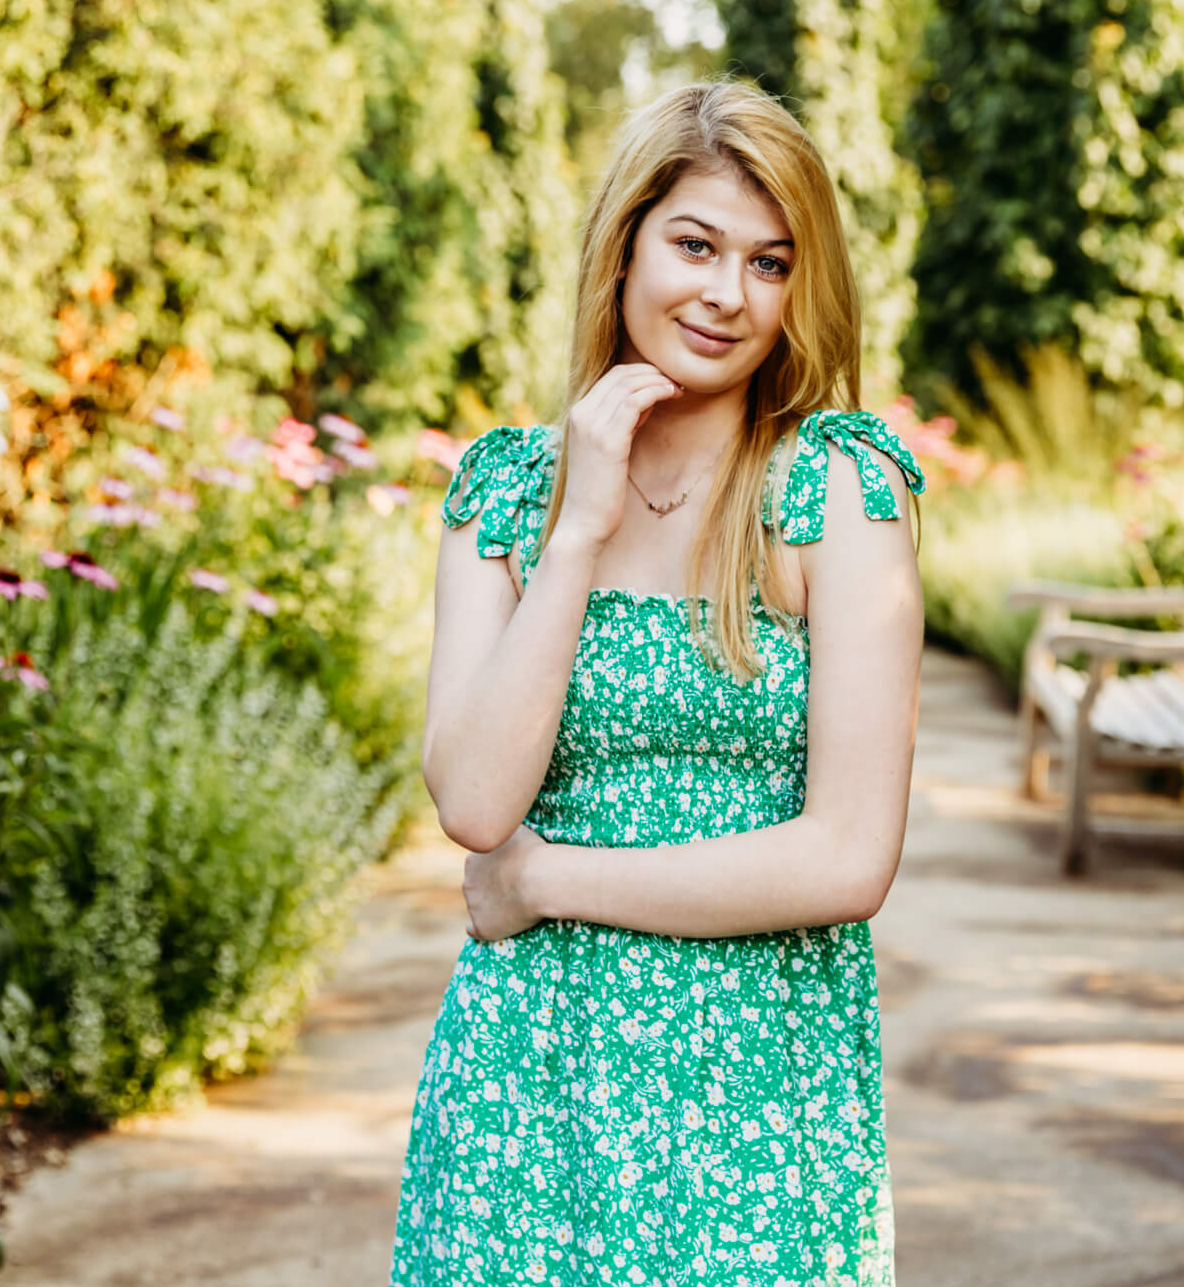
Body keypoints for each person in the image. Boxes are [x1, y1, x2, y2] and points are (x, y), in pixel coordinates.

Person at [390, 78, 925, 1286]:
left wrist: (544, 877)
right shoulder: (505, 496)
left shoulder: (834, 494)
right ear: (623, 244)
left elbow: (847, 858)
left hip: (759, 1104)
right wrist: (576, 527)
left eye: (770, 262)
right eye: (694, 244)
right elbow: (473, 801)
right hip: (527, 1085)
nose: (726, 295)